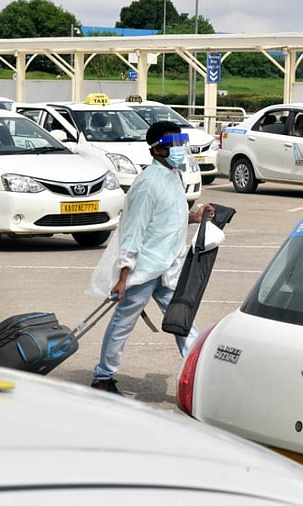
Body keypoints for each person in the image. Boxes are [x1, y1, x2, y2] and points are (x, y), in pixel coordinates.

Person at [89, 120, 213, 395]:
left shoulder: (173, 176)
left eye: (182, 143)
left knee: (182, 321)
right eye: (174, 145)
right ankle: (102, 377)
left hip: (168, 267)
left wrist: (195, 217)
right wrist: (123, 277)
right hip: (143, 270)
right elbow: (132, 233)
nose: (181, 149)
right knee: (123, 323)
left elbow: (169, 218)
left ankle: (197, 376)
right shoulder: (147, 184)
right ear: (157, 150)